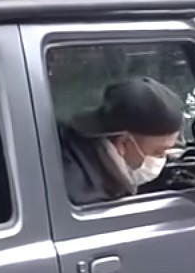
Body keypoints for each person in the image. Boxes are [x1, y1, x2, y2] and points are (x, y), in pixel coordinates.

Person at [59, 76, 185, 205]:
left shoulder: (66, 142)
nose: (163, 159)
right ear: (123, 144)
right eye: (158, 152)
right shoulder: (87, 199)